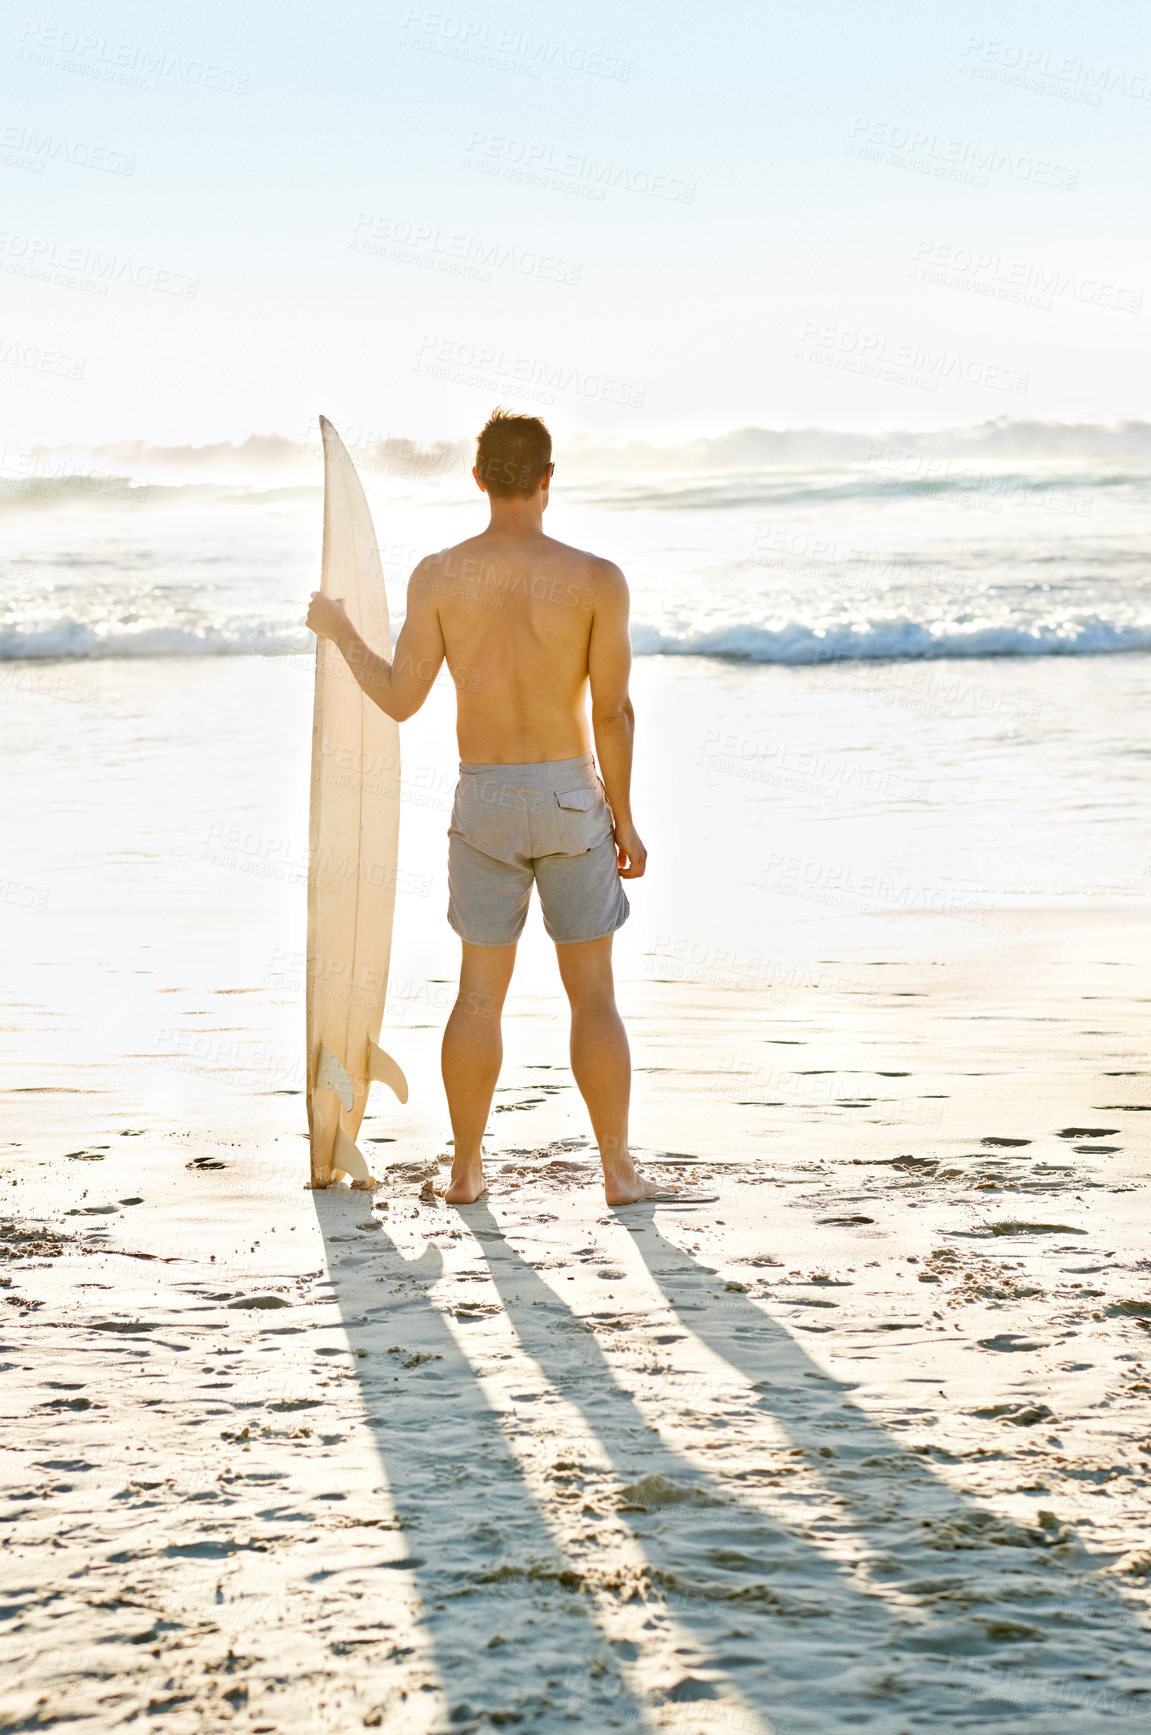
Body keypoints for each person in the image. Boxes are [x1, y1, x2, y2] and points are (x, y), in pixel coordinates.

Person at [306, 409, 673, 1206]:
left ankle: (467, 1169)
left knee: (478, 993)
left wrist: (338, 630)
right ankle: (615, 1170)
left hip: (486, 798)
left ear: (478, 479)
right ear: (547, 479)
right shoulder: (595, 579)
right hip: (572, 797)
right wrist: (628, 818)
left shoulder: (439, 576)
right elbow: (612, 713)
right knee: (594, 995)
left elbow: (400, 699)